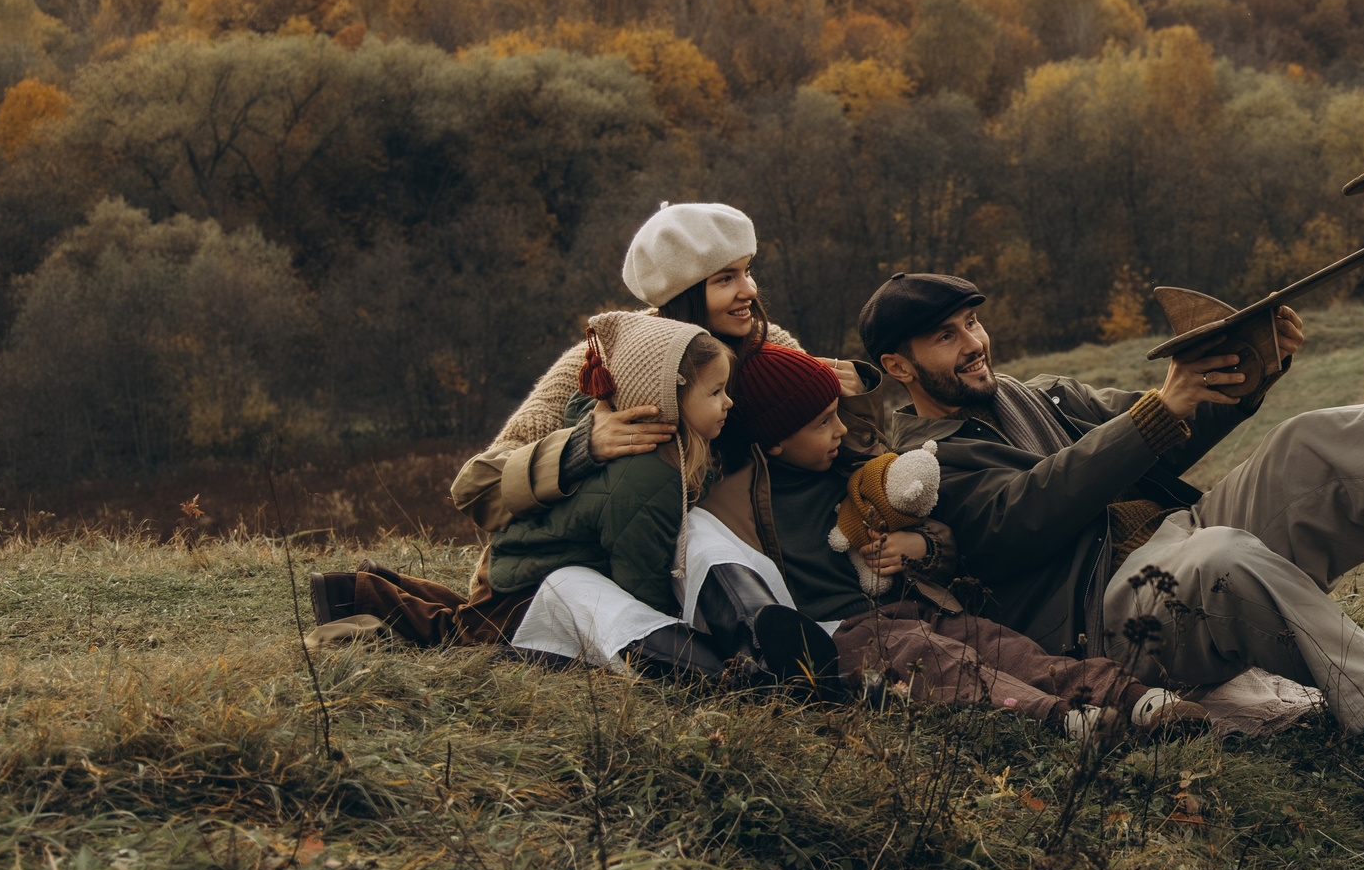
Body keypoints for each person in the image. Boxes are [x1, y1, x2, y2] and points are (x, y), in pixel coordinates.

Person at [857, 238, 1364, 774]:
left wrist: (1245, 375)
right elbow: (1029, 513)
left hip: (1170, 541)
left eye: (973, 322)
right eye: (944, 338)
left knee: (1306, 446)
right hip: (1113, 616)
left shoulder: (1035, 392)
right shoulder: (927, 461)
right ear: (899, 366)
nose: (973, 342)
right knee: (1219, 557)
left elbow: (1158, 427)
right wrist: (1159, 410)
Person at [691, 341, 1207, 737]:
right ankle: (1060, 720)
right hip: (841, 634)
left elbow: (931, 527)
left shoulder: (850, 470)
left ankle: (1135, 698)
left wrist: (921, 548)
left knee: (1003, 647)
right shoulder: (735, 500)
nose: (839, 433)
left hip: (913, 607)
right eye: (823, 424)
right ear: (776, 440)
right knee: (945, 666)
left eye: (838, 418)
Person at [322, 311, 762, 675]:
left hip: (531, 561)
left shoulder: (660, 451)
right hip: (531, 577)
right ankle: (355, 595)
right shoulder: (651, 473)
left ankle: (376, 584)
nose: (729, 402)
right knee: (463, 637)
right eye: (717, 392)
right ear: (667, 397)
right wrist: (657, 635)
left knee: (473, 620)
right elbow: (639, 576)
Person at [446, 200, 885, 545]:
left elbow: (828, 457)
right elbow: (478, 487)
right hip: (616, 565)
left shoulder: (772, 348)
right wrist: (582, 448)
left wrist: (853, 400)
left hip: (755, 552)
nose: (749, 290)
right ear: (684, 294)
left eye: (747, 270)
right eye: (726, 278)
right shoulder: (597, 364)